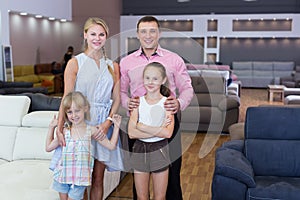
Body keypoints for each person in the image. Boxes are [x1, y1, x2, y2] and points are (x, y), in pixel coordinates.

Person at [119, 15, 194, 200]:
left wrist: (179, 103)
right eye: (143, 31)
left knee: (172, 174)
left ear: (159, 33)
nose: (148, 35)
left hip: (168, 121)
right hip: (138, 122)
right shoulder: (126, 62)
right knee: (139, 176)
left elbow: (187, 88)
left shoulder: (174, 60)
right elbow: (120, 91)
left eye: (152, 31)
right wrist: (127, 102)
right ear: (137, 34)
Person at [56, 17, 122, 200]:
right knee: (80, 178)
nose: (97, 38)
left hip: (102, 125)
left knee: (98, 178)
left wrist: (108, 123)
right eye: (93, 34)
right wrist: (60, 128)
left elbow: (117, 98)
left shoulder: (113, 66)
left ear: (106, 37)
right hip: (80, 125)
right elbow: (66, 98)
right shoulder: (75, 63)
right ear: (85, 35)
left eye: (101, 34)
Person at [46, 91, 122, 200]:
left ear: (85, 109)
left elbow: (111, 146)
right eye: (70, 112)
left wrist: (116, 127)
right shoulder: (65, 131)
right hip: (62, 176)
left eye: (77, 111)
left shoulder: (91, 130)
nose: (74, 115)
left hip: (80, 179)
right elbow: (48, 147)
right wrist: (51, 128)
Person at [128, 62, 175, 200]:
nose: (150, 82)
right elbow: (131, 133)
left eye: (155, 79)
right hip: (139, 149)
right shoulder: (137, 102)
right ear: (143, 79)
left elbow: (167, 133)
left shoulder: (167, 103)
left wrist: (141, 126)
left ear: (163, 80)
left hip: (159, 149)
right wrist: (158, 129)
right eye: (147, 78)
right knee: (142, 197)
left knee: (160, 197)